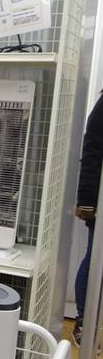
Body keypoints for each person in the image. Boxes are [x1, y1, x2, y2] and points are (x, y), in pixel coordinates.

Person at [74, 94, 103, 345]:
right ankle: (84, 320)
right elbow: (92, 149)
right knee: (94, 258)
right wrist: (87, 201)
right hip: (100, 199)